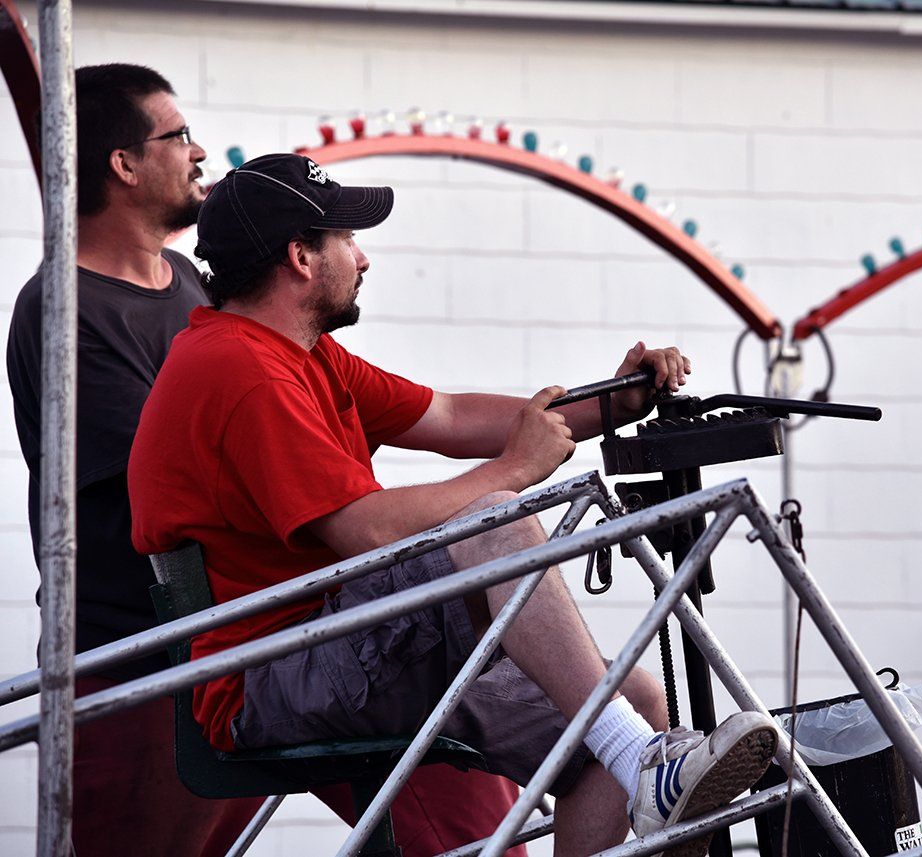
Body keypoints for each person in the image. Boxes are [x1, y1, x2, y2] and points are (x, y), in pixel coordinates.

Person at [126, 152, 779, 856]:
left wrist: (611, 403)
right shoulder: (241, 369)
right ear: (301, 257)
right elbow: (366, 530)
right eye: (348, 239)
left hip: (339, 639)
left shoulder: (296, 352)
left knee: (634, 707)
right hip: (277, 673)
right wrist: (513, 470)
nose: (364, 258)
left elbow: (449, 414)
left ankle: (640, 761)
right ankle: (649, 766)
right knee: (493, 517)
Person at [5, 64, 526, 857]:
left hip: (285, 629)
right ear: (122, 163)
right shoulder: (64, 309)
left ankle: (639, 753)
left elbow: (430, 414)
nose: (199, 149)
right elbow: (213, 466)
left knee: (479, 824)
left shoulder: (190, 287)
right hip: (144, 659)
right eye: (177, 135)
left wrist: (598, 404)